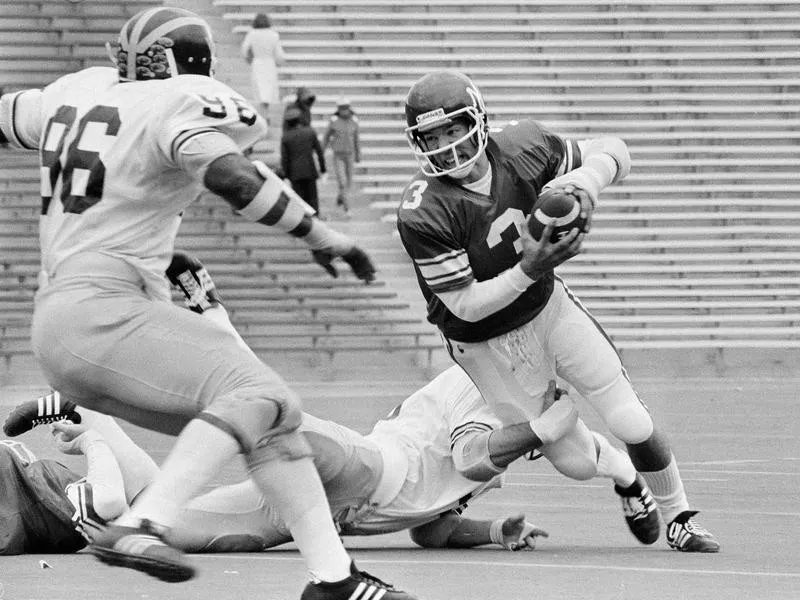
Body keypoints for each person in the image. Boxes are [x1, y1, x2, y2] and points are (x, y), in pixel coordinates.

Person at [0, 7, 417, 600]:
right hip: (105, 310)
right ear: (180, 65)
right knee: (261, 393)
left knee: (272, 421)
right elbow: (234, 178)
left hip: (65, 320)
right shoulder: (174, 104)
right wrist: (323, 235)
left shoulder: (72, 92)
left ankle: (334, 578)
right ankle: (145, 523)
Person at [1, 251, 644, 556]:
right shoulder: (487, 385)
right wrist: (538, 429)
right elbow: (473, 457)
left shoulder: (510, 382)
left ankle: (90, 422)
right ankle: (210, 315)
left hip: (313, 511)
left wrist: (493, 530)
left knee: (139, 529)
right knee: (266, 408)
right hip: (369, 470)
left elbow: (432, 525)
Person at [396, 70, 719, 553]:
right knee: (574, 463)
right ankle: (625, 476)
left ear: (479, 120)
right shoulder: (423, 210)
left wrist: (587, 180)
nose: (447, 147)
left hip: (548, 308)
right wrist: (529, 267)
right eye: (433, 137)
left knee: (631, 419)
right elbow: (466, 304)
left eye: (453, 129)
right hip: (484, 344)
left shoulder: (523, 145)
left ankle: (679, 517)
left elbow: (616, 149)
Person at [281, 106, 326, 216]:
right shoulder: (310, 132)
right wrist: (323, 168)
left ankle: (303, 222)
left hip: (294, 173)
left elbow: (285, 158)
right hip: (310, 170)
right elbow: (319, 152)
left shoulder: (286, 137)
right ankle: (316, 220)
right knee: (313, 198)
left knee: (300, 202)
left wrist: (286, 174)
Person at [240, 13, 285, 122]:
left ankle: (263, 116)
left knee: (259, 90)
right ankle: (266, 115)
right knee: (267, 90)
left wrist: (249, 59)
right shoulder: (273, 35)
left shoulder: (252, 34)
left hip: (258, 63)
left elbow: (244, 49)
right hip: (269, 63)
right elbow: (279, 54)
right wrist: (279, 62)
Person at [322, 98, 361, 215]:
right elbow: (326, 137)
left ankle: (341, 198)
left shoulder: (354, 120)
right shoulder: (334, 120)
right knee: (342, 182)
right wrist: (321, 152)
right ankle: (347, 208)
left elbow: (356, 139)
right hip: (338, 155)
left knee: (348, 183)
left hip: (349, 155)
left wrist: (358, 154)